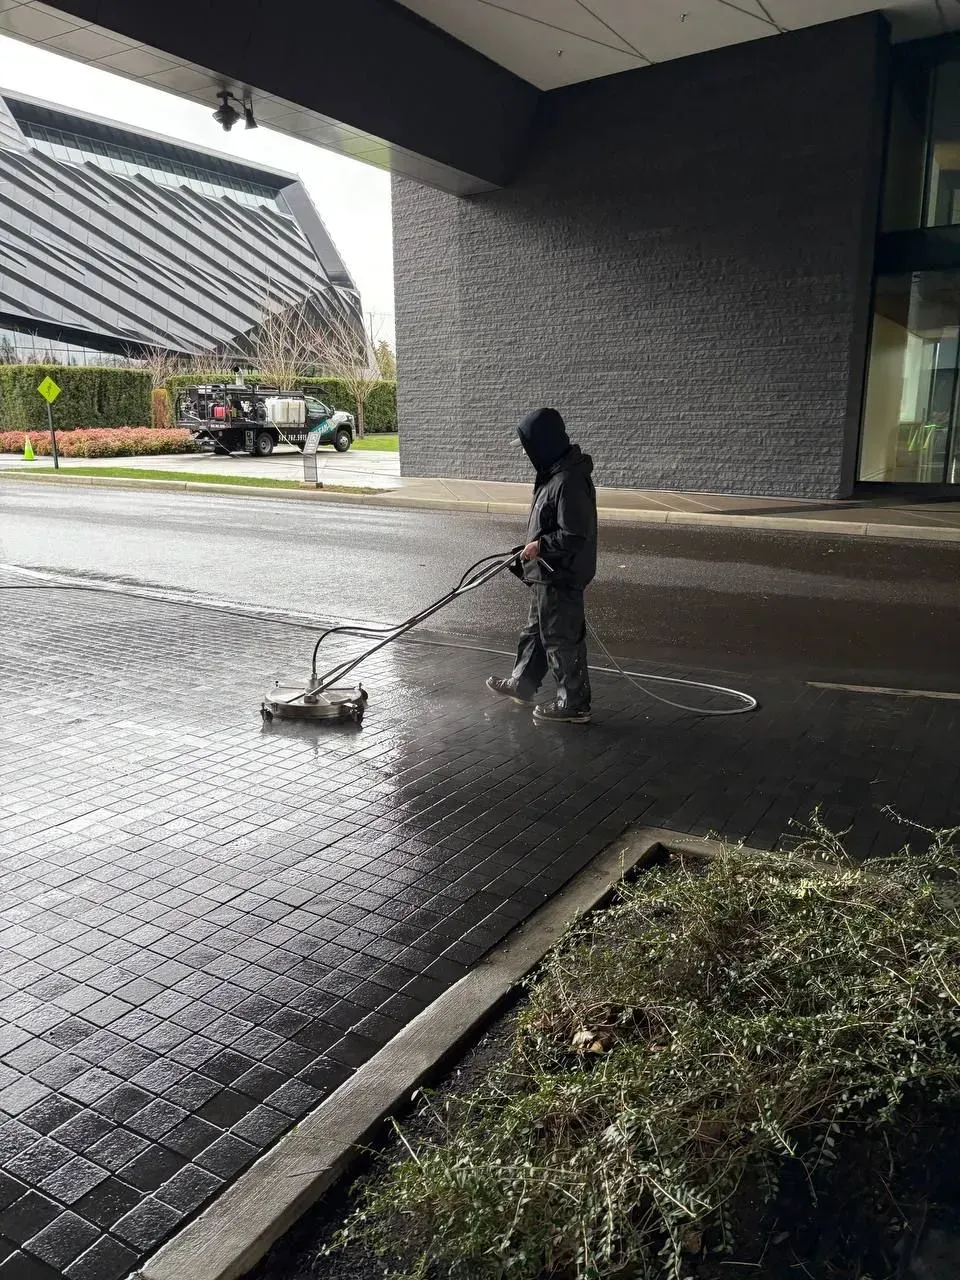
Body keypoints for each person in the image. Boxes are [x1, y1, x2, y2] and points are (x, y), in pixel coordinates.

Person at [487, 408, 597, 724]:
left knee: (561, 638)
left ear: (544, 442)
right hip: (547, 573)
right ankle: (522, 684)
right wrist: (529, 551)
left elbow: (574, 535)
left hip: (561, 574)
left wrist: (540, 546)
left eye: (529, 445)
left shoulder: (568, 480)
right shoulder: (554, 473)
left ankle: (574, 703)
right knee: (536, 632)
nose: (526, 453)